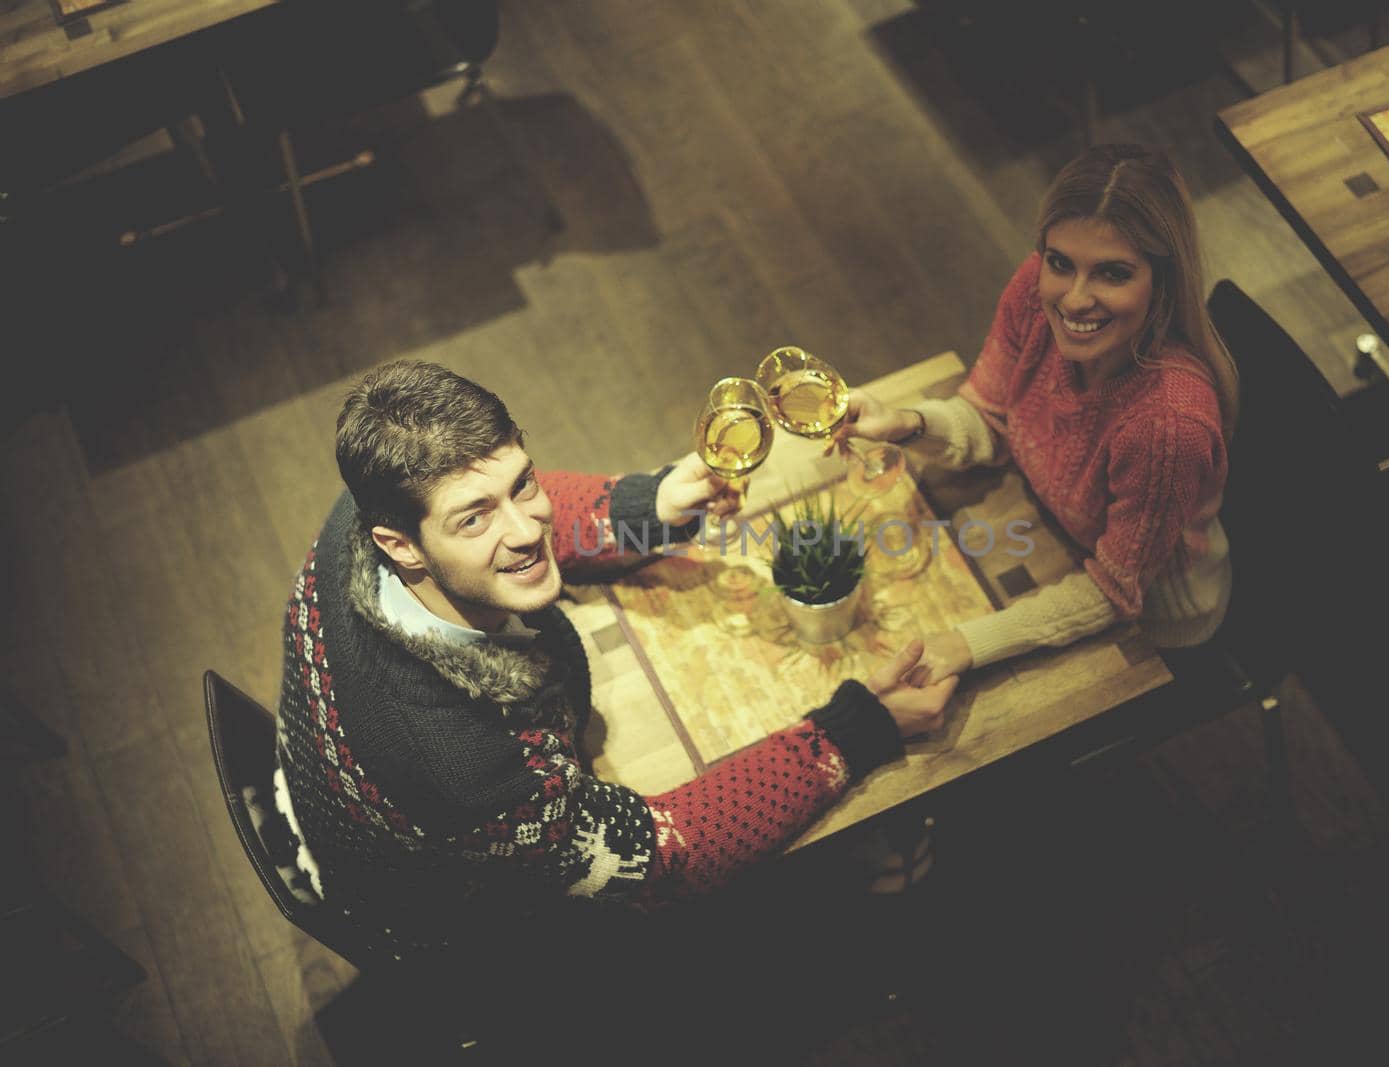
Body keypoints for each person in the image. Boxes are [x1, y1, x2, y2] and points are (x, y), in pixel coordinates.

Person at [271, 359, 957, 967]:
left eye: (522, 483)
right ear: (404, 544)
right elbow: (659, 860)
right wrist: (857, 729)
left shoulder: (362, 510)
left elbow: (523, 519)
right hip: (472, 932)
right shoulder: (469, 766)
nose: (526, 527)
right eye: (474, 518)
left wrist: (647, 505)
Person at [841, 142, 1237, 684]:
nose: (1074, 300)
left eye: (1112, 274)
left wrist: (965, 644)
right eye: (1060, 263)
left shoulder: (1167, 424)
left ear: (1162, 282)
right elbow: (990, 416)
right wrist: (906, 424)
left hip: (1155, 625)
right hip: (1055, 532)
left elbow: (1116, 592)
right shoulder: (1034, 289)